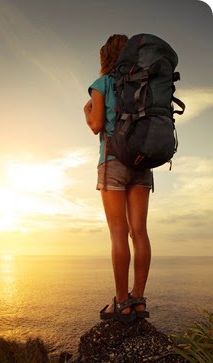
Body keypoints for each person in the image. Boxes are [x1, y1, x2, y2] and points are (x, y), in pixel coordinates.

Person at [84, 34, 153, 323]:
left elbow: (97, 124)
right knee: (139, 231)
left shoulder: (101, 84)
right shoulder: (144, 80)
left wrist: (86, 113)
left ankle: (122, 302)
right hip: (141, 161)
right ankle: (138, 300)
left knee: (118, 232)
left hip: (113, 161)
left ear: (105, 57)